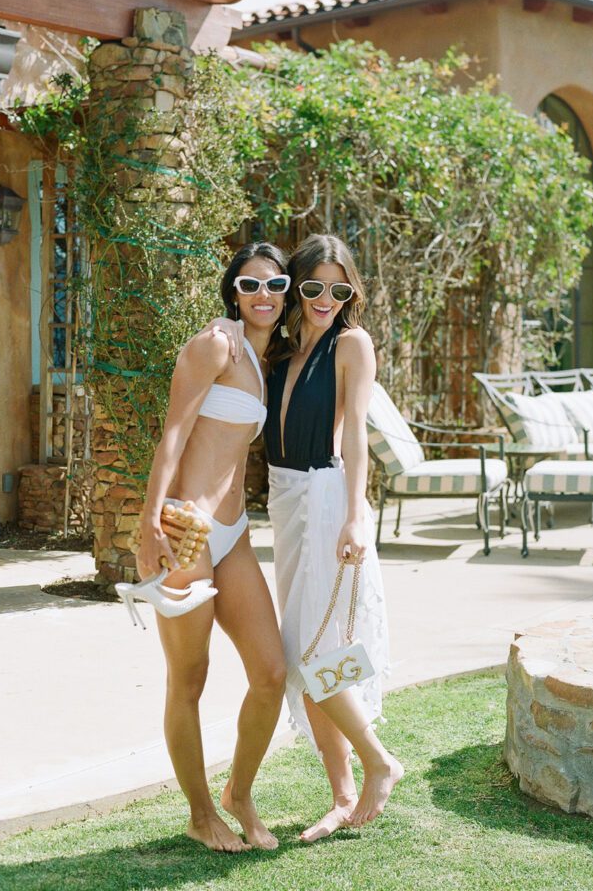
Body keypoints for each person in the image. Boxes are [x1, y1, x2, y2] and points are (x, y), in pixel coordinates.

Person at [212, 234, 402, 843]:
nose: (325, 299)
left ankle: (378, 763)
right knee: (314, 650)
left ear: (351, 293)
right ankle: (343, 795)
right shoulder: (284, 352)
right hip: (288, 505)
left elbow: (354, 441)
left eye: (338, 289)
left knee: (308, 647)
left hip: (326, 498)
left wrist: (355, 514)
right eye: (314, 287)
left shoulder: (353, 343)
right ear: (297, 286)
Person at [131, 242, 290, 853]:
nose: (264, 297)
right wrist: (148, 524)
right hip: (185, 531)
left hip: (235, 534)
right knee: (188, 680)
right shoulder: (215, 343)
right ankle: (201, 814)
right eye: (252, 285)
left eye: (276, 287)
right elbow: (173, 433)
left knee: (272, 672)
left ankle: (239, 793)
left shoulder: (260, 356)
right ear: (233, 291)